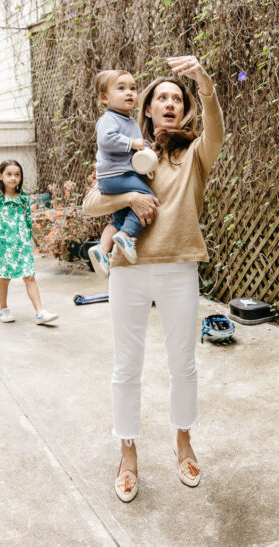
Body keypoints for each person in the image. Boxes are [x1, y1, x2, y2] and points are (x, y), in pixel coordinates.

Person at [82, 55, 223, 502]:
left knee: (183, 364)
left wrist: (202, 82)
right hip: (129, 271)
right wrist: (129, 198)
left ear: (184, 109)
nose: (169, 104)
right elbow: (90, 205)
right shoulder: (124, 152)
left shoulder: (196, 153)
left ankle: (183, 443)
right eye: (160, 97)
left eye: (176, 99)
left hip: (180, 269)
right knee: (127, 367)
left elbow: (216, 123)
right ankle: (127, 452)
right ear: (146, 108)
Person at [86, 69, 154, 277]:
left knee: (120, 216)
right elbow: (106, 140)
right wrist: (132, 143)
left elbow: (137, 147)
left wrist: (145, 148)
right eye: (122, 88)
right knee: (148, 198)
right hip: (117, 176)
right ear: (104, 98)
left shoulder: (128, 120)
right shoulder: (109, 119)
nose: (129, 93)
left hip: (116, 176)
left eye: (133, 88)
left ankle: (101, 250)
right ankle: (125, 236)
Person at [0, 159, 59, 325]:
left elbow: (28, 220)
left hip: (22, 243)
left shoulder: (23, 197)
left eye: (17, 174)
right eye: (9, 174)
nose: (13, 178)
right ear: (0, 176)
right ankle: (3, 308)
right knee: (5, 277)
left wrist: (30, 238)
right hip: (3, 245)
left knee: (29, 276)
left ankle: (39, 312)